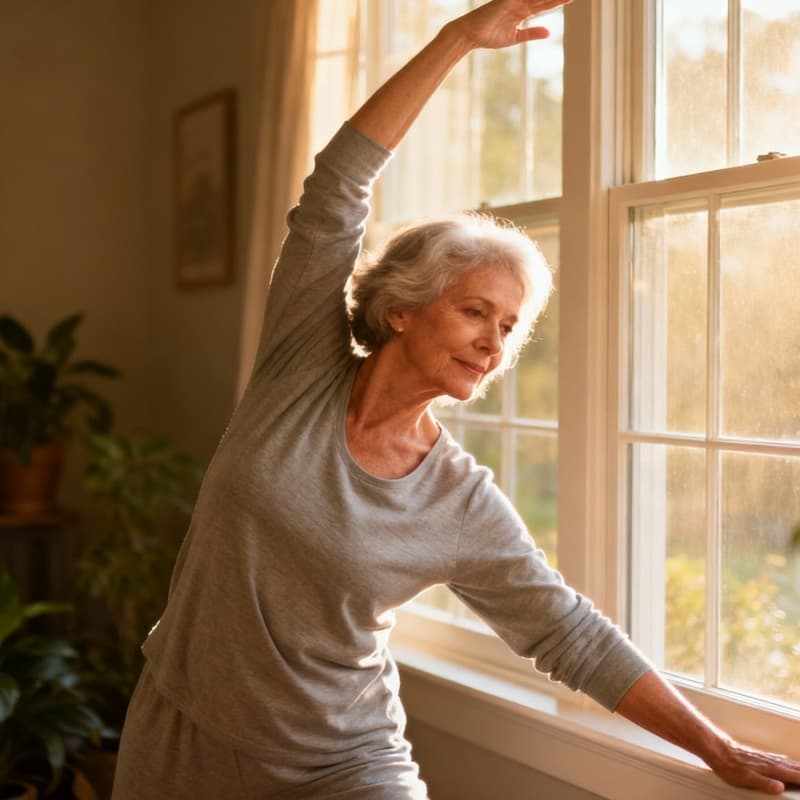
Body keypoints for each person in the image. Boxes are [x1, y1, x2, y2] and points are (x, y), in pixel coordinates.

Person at [111, 1, 800, 798]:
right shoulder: (297, 368)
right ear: (402, 308)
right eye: (476, 311)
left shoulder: (460, 502)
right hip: (180, 731)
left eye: (509, 327)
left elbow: (568, 632)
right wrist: (458, 39)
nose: (494, 342)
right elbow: (338, 185)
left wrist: (716, 747)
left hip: (342, 765)